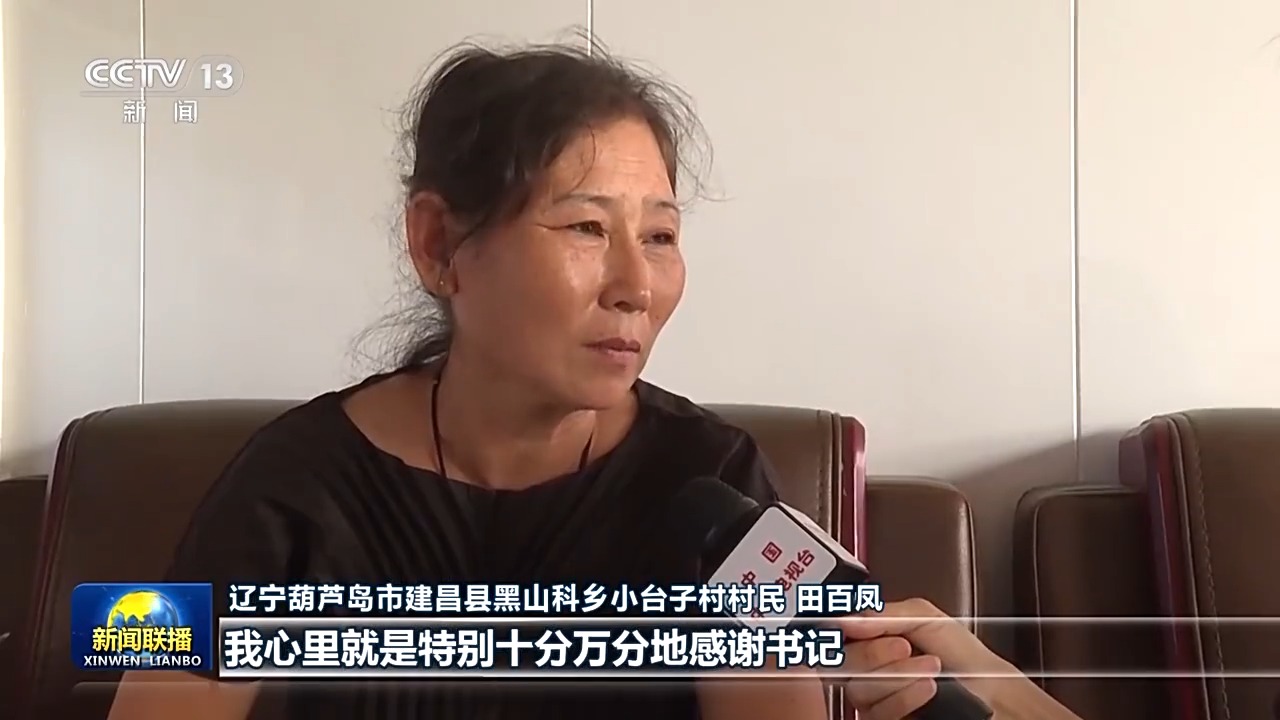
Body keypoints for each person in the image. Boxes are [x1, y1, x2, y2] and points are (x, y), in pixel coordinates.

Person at [106, 40, 1083, 720]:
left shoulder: (712, 483)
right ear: (438, 243)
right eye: (584, 227)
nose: (635, 286)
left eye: (659, 236)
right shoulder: (285, 482)